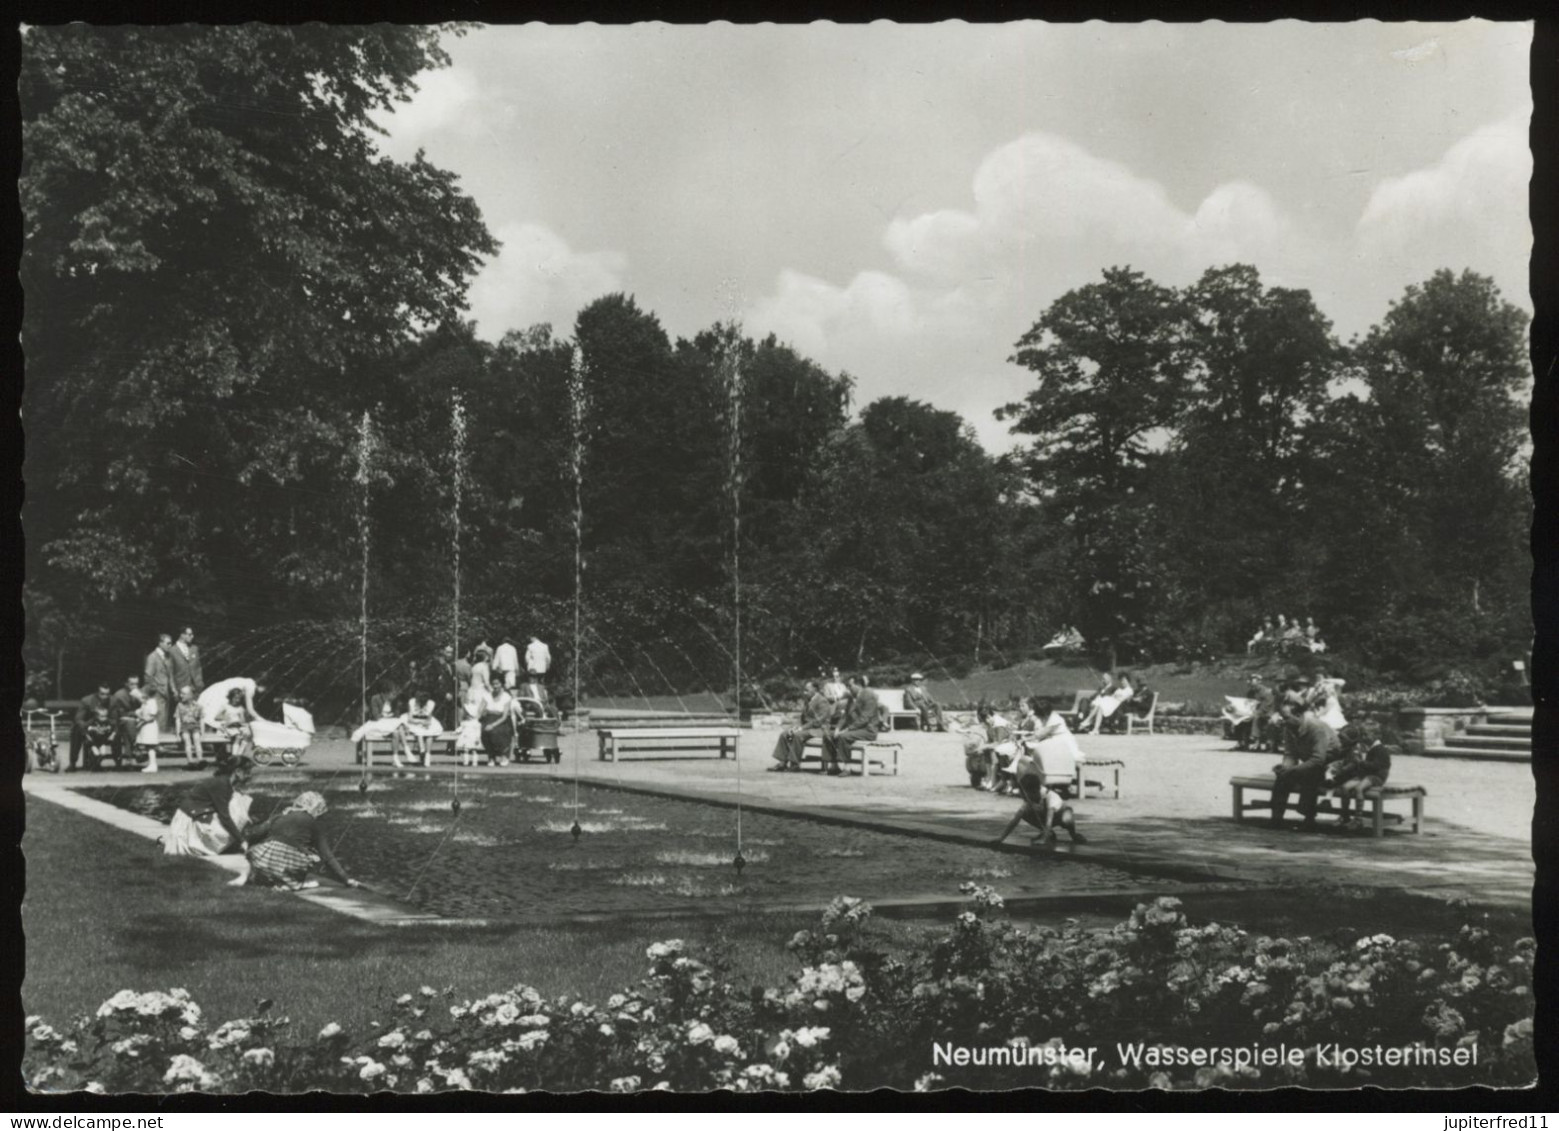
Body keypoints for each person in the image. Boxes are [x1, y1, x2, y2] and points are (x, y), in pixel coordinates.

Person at [231, 791, 361, 892]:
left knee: (268, 847)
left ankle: (262, 878)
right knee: (312, 855)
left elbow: (254, 835)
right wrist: (346, 879)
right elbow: (327, 856)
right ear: (317, 809)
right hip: (289, 863)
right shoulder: (312, 822)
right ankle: (292, 883)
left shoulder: (279, 816)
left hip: (261, 861)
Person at [1268, 700, 1339, 830]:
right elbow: (1290, 754)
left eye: (1286, 717)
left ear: (1299, 715)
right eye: (1282, 717)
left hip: (1330, 764)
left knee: (1310, 776)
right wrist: (1285, 768)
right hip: (1312, 762)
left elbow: (1318, 759)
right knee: (1282, 777)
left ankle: (1308, 819)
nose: (1283, 721)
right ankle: (1276, 817)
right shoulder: (1289, 728)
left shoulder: (1316, 728)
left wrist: (1293, 770)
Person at [164, 756, 255, 856]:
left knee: (239, 802)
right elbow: (224, 816)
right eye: (248, 772)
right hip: (188, 821)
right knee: (227, 829)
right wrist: (241, 840)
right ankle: (200, 844)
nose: (249, 775)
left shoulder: (224, 781)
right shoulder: (222, 784)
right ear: (237, 771)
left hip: (193, 814)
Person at [991, 754, 1088, 847]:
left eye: (1028, 793)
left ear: (1035, 791)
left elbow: (1049, 821)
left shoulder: (1050, 797)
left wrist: (1043, 840)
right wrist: (1001, 838)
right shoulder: (1030, 798)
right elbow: (1014, 821)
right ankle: (1049, 833)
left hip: (1060, 814)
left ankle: (1073, 834)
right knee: (1023, 813)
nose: (1026, 796)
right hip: (1047, 817)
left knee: (1066, 819)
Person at [1330, 724, 1397, 830]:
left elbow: (1377, 766)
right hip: (1367, 774)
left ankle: (1358, 819)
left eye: (1367, 735)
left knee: (1359, 789)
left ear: (1376, 736)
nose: (1364, 738)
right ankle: (1345, 816)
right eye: (1363, 735)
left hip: (1377, 776)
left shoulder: (1380, 749)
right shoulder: (1368, 748)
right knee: (1345, 788)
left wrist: (1361, 763)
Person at [822, 674, 880, 776]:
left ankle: (847, 767)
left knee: (844, 736)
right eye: (848, 686)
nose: (848, 689)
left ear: (859, 685)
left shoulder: (869, 695)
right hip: (856, 729)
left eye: (850, 686)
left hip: (868, 730)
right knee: (828, 735)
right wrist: (838, 728)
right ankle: (833, 766)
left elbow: (864, 719)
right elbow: (845, 716)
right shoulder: (851, 697)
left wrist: (847, 729)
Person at [771, 679, 832, 772]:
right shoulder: (808, 701)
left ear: (815, 689)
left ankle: (795, 764)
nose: (805, 692)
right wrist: (794, 727)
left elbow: (818, 721)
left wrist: (801, 728)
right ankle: (782, 763)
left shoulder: (822, 701)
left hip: (820, 729)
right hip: (808, 728)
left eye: (807, 690)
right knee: (785, 734)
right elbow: (802, 718)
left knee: (797, 735)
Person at [68, 684, 114, 772]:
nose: (105, 697)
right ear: (97, 693)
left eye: (107, 694)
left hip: (106, 727)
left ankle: (100, 763)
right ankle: (72, 763)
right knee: (76, 730)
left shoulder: (113, 701)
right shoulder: (87, 701)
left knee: (116, 732)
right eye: (102, 694)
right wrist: (86, 731)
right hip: (89, 727)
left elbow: (115, 719)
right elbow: (79, 719)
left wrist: (109, 729)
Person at [212, 687, 256, 764]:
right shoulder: (225, 706)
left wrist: (239, 720)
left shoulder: (240, 708)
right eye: (235, 698)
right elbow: (217, 717)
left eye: (239, 698)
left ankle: (238, 755)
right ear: (231, 697)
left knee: (245, 735)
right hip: (227, 727)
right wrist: (227, 717)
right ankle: (235, 756)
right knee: (238, 736)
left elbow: (243, 721)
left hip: (237, 727)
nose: (237, 700)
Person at [481, 682, 520, 767]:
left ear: (501, 685)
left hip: (502, 720)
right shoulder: (487, 696)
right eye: (493, 684)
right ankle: (491, 756)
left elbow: (504, 716)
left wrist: (492, 725)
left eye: (497, 684)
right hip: (489, 718)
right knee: (484, 731)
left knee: (497, 731)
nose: (495, 686)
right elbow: (480, 711)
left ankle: (504, 756)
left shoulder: (506, 697)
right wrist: (482, 713)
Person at [401, 689, 442, 767]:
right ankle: (422, 749)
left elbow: (429, 720)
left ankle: (427, 755)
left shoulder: (431, 703)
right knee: (419, 731)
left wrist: (424, 723)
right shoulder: (412, 702)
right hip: (414, 722)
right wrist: (420, 722)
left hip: (424, 721)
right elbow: (409, 719)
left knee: (430, 732)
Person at [144, 634, 176, 730]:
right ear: (160, 643)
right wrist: (156, 689)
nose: (170, 646)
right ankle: (157, 741)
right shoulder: (152, 657)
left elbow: (170, 675)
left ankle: (161, 740)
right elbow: (148, 676)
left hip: (166, 693)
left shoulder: (168, 657)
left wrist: (173, 689)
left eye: (171, 643)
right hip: (157, 693)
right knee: (158, 717)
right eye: (168, 643)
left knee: (164, 718)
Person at [109, 676, 143, 767]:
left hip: (138, 721)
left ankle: (130, 755)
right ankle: (136, 750)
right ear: (126, 684)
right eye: (132, 684)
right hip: (121, 722)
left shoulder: (140, 693)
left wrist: (141, 700)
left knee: (129, 727)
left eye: (136, 684)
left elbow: (148, 708)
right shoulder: (119, 695)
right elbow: (117, 713)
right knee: (128, 724)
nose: (134, 686)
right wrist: (134, 714)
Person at [168, 627, 205, 704]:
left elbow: (198, 668)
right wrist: (173, 689)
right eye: (190, 634)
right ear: (182, 635)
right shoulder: (172, 651)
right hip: (181, 690)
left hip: (196, 688)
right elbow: (170, 673)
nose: (192, 636)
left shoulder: (194, 649)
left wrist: (200, 683)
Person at [175, 685, 206, 770]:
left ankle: (200, 759)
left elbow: (201, 720)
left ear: (190, 695)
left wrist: (202, 733)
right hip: (184, 727)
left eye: (183, 694)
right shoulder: (179, 705)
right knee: (186, 739)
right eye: (181, 693)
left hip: (195, 726)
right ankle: (190, 761)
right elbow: (177, 720)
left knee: (197, 739)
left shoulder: (198, 706)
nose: (181, 695)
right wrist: (177, 734)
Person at [135, 689, 162, 773]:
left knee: (151, 746)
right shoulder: (145, 703)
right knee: (148, 746)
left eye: (143, 695)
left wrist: (141, 722)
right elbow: (140, 712)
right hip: (145, 727)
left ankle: (153, 764)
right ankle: (151, 764)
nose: (141, 697)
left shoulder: (152, 703)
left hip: (150, 727)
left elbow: (151, 717)